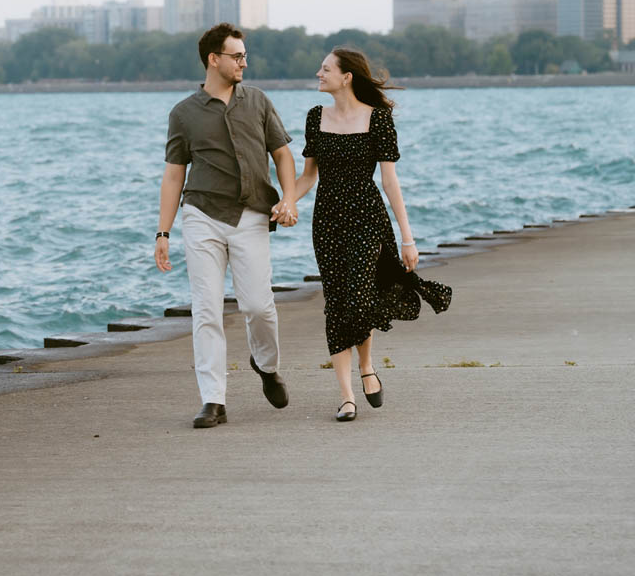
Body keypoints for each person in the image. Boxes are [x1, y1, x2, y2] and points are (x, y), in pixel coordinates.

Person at [276, 47, 452, 422]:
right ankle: (346, 395)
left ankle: (367, 365)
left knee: (358, 299)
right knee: (337, 302)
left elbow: (389, 181)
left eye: (325, 69)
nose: (318, 74)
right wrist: (285, 201)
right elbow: (309, 176)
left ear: (346, 77)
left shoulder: (379, 119)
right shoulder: (315, 117)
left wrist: (408, 237)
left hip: (368, 220)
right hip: (327, 223)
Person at [155, 23, 298, 429]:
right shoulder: (183, 113)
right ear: (213, 59)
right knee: (206, 310)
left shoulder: (258, 102)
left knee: (258, 306)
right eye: (237, 56)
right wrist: (162, 233)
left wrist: (287, 199)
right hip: (201, 217)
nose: (243, 62)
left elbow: (283, 156)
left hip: (252, 215)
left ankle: (266, 366)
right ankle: (213, 400)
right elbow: (172, 176)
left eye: (245, 56)